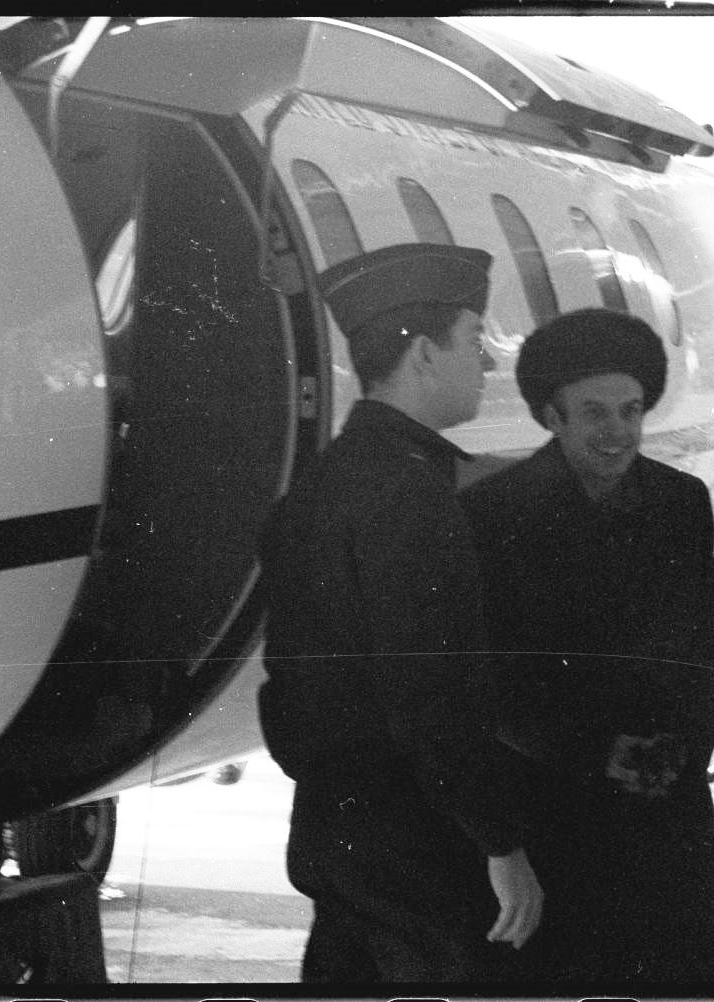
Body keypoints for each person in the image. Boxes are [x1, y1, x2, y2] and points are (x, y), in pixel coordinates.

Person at [257, 243, 542, 982]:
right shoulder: (412, 495)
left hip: (332, 830)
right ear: (422, 355)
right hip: (420, 846)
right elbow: (431, 695)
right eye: (473, 343)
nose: (484, 365)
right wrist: (500, 845)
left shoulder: (315, 488)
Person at [460, 308, 714, 983]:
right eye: (595, 413)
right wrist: (596, 752)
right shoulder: (494, 515)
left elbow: (712, 640)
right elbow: (488, 674)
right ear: (552, 418)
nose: (618, 433)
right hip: (556, 809)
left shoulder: (681, 501)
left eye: (631, 410)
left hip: (666, 802)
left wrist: (683, 746)